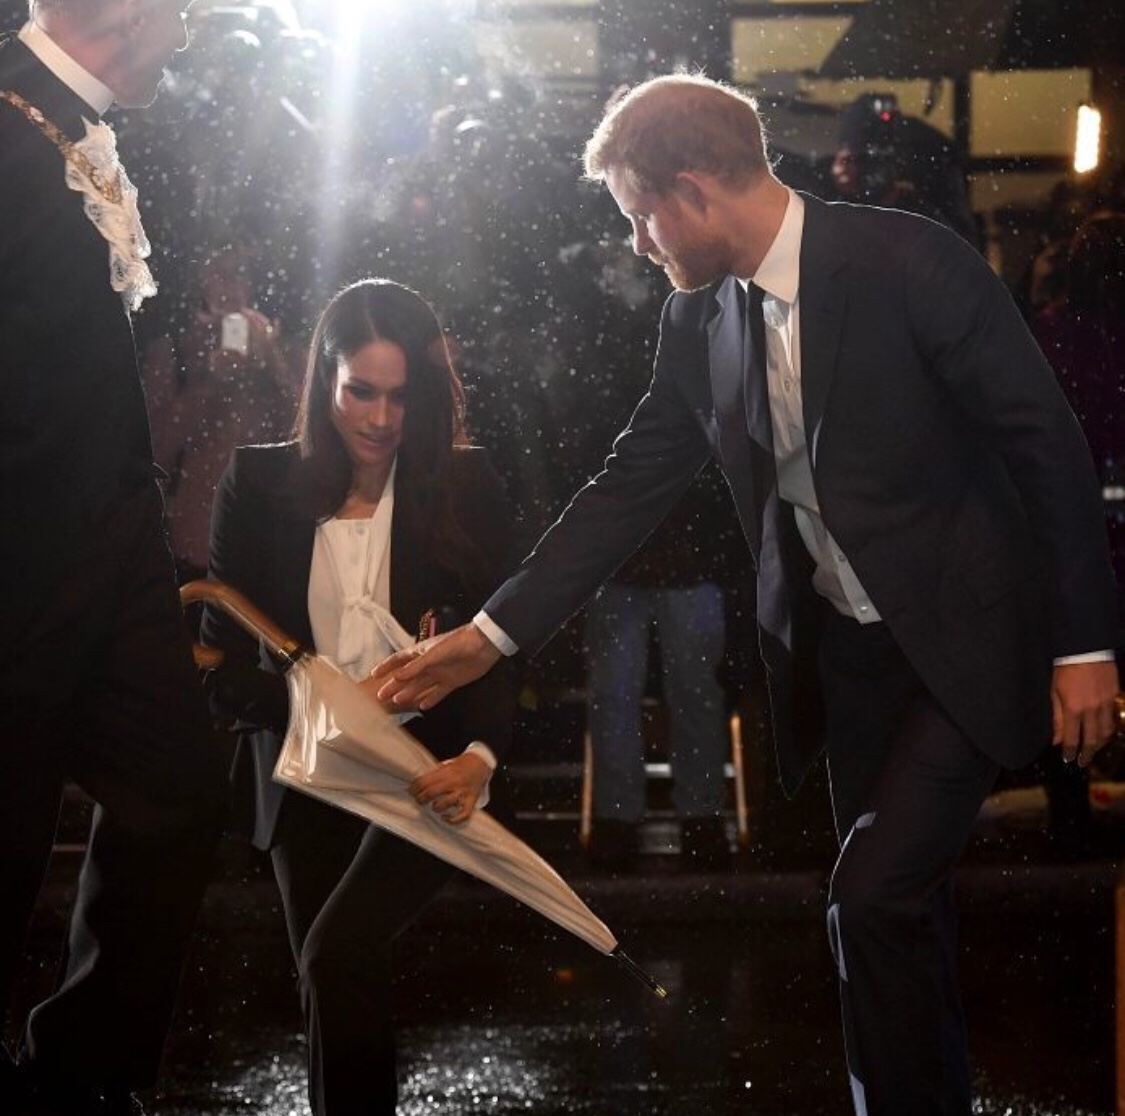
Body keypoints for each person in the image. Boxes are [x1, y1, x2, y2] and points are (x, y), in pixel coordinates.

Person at [373, 74, 1120, 1116]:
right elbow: (625, 488)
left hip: (967, 638)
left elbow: (1048, 449)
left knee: (870, 896)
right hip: (845, 659)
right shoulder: (697, 325)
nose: (639, 245)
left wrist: (1084, 647)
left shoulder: (912, 264)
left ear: (693, 194)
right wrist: (491, 637)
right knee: (893, 917)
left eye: (641, 217)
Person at [200, 279, 517, 1116]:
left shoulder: (465, 483)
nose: (379, 420)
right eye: (360, 393)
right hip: (304, 773)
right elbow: (223, 668)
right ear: (323, 382)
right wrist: (326, 709)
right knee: (333, 978)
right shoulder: (259, 483)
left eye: (402, 397)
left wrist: (479, 757)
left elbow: (510, 641)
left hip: (423, 770)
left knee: (338, 954)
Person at [0, 3, 227, 1114]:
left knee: (180, 787)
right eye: (180, 14)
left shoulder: (73, 126)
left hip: (115, 557)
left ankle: (82, 1075)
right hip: (16, 566)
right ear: (129, 13)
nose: (187, 38)